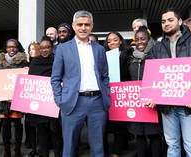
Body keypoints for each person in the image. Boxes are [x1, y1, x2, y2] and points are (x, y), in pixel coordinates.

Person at [149, 8, 191, 157]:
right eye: (163, 21)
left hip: (188, 106)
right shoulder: (157, 48)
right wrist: (151, 95)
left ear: (180, 21)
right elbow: (152, 74)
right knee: (172, 145)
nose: (166, 24)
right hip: (167, 107)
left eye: (170, 20)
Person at [51, 10, 110, 157]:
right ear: (73, 26)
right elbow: (55, 78)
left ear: (92, 26)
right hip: (72, 102)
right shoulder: (62, 49)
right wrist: (60, 100)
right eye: (80, 24)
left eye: (87, 24)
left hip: (97, 103)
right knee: (69, 147)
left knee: (98, 146)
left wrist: (106, 96)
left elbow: (105, 76)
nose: (83, 28)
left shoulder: (100, 49)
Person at [125, 26, 164, 157]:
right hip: (136, 104)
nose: (140, 42)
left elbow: (161, 79)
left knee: (154, 136)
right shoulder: (131, 57)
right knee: (139, 136)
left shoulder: (156, 55)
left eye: (143, 39)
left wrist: (156, 98)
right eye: (137, 39)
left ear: (149, 39)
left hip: (153, 103)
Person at [27, 36, 63, 157]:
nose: (44, 50)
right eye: (41, 48)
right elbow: (30, 82)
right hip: (40, 104)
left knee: (55, 131)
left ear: (52, 48)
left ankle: (58, 154)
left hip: (54, 102)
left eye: (47, 47)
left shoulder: (58, 60)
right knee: (41, 132)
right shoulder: (35, 62)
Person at [0, 39, 28, 157]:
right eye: (9, 47)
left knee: (18, 125)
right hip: (4, 101)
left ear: (17, 48)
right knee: (6, 127)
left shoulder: (24, 62)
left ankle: (17, 150)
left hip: (16, 100)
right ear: (6, 48)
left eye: (14, 47)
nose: (11, 49)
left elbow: (26, 80)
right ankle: (7, 151)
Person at [103, 32, 132, 157]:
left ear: (120, 41)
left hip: (121, 93)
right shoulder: (103, 56)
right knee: (105, 125)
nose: (112, 43)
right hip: (107, 93)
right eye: (109, 41)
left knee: (119, 126)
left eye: (115, 40)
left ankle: (117, 152)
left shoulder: (128, 56)